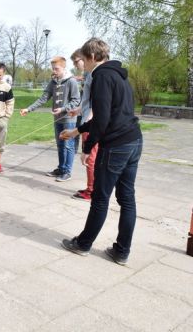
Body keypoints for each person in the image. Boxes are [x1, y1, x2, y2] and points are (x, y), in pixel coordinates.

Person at [60, 38, 143, 265]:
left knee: (100, 197)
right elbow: (112, 114)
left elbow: (102, 119)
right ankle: (121, 252)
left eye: (84, 60)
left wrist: (87, 147)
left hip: (116, 145)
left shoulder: (101, 77)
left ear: (93, 57)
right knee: (127, 199)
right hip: (134, 140)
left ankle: (83, 244)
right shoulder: (119, 75)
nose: (84, 65)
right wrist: (77, 130)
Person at [20, 56, 80, 182]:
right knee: (60, 144)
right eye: (52, 68)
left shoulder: (71, 81)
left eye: (56, 68)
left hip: (68, 119)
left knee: (68, 145)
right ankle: (61, 168)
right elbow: (43, 98)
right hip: (57, 119)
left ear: (64, 68)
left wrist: (63, 109)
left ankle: (67, 172)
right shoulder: (53, 82)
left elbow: (76, 101)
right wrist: (28, 109)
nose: (54, 71)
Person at [69, 49, 97, 201]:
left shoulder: (94, 75)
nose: (77, 65)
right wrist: (78, 110)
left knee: (89, 158)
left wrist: (87, 122)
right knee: (91, 159)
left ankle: (92, 191)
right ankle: (91, 188)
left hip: (90, 123)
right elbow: (88, 101)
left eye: (77, 61)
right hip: (87, 119)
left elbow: (96, 103)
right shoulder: (89, 75)